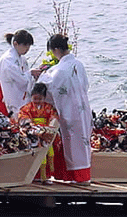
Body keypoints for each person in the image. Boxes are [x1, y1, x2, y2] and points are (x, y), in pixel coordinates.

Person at [37, 34, 92, 186]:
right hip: (83, 108)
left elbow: (49, 89)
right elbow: (86, 85)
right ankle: (83, 176)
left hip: (69, 110)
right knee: (82, 143)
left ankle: (77, 177)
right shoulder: (78, 64)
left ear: (55, 50)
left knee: (72, 143)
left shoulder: (59, 70)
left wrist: (40, 76)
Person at [0, 30, 42, 119]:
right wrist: (30, 73)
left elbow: (23, 77)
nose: (27, 48)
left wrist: (32, 75)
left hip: (14, 93)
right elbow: (20, 79)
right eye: (25, 45)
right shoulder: (8, 60)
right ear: (15, 44)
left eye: (29, 46)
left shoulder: (21, 59)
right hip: (4, 94)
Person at [18, 83, 60, 185]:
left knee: (50, 153)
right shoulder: (27, 107)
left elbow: (53, 117)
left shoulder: (48, 107)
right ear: (31, 97)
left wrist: (51, 125)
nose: (37, 101)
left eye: (40, 99)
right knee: (40, 155)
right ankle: (41, 177)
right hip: (34, 132)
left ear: (44, 98)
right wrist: (31, 125)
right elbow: (23, 116)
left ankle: (48, 176)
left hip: (46, 131)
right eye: (35, 99)